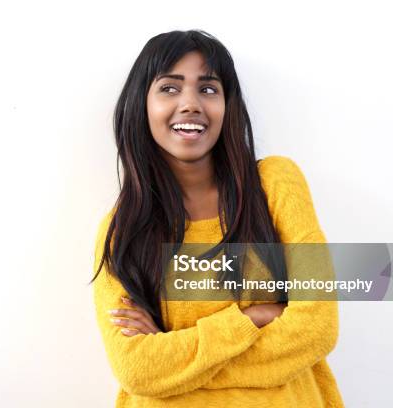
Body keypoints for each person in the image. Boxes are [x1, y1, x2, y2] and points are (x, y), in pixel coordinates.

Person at [89, 29, 344, 407]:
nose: (190, 103)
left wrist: (179, 361)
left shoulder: (275, 185)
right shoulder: (123, 230)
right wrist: (251, 318)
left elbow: (317, 327)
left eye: (208, 89)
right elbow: (137, 369)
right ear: (141, 104)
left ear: (228, 105)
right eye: (170, 88)